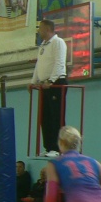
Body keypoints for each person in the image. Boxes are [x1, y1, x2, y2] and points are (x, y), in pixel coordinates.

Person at [31, 18, 68, 157]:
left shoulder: (58, 42)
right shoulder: (43, 45)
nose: (39, 31)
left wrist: (51, 81)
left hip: (56, 83)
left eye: (40, 28)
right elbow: (39, 65)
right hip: (44, 85)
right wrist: (33, 81)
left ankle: (58, 149)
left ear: (47, 29)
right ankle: (49, 147)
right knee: (45, 117)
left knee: (56, 117)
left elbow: (59, 62)